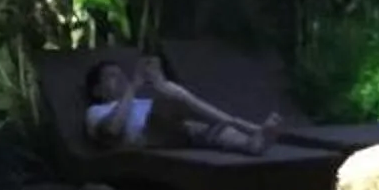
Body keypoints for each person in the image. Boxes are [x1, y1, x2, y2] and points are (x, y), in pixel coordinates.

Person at [82, 57, 279, 155]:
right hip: (143, 143)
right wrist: (134, 86)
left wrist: (157, 83)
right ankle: (249, 127)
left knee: (202, 126)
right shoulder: (96, 111)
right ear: (97, 91)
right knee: (174, 99)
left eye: (121, 74)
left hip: (169, 132)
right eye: (111, 76)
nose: (121, 78)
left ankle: (251, 143)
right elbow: (113, 130)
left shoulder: (139, 101)